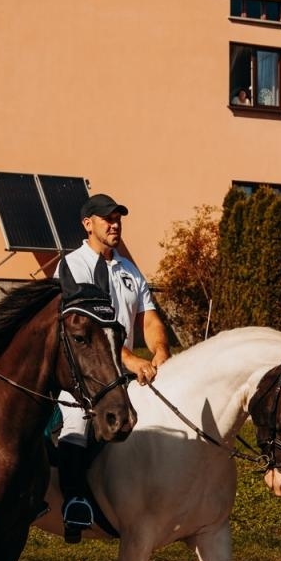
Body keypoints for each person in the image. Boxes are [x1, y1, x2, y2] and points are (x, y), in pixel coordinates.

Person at [55, 192, 170, 542]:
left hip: (125, 376)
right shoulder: (73, 266)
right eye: (107, 218)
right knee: (75, 422)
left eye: (118, 218)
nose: (115, 223)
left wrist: (161, 349)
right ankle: (74, 503)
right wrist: (130, 358)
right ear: (87, 224)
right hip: (84, 374)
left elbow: (148, 318)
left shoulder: (129, 269)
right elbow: (87, 331)